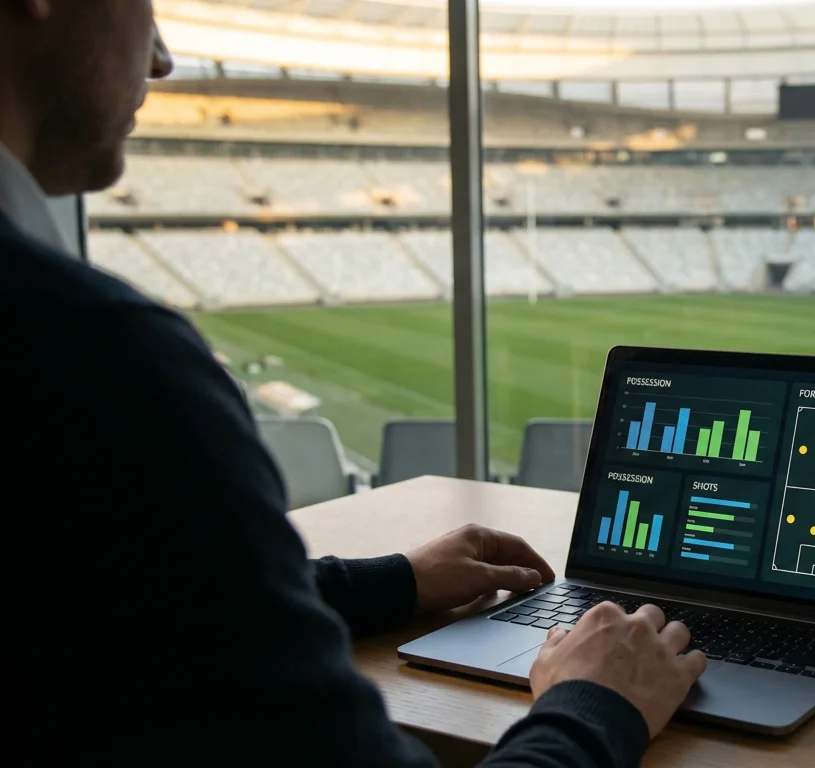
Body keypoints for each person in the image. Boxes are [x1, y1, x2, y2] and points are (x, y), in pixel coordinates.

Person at [0, 1, 706, 764]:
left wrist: (393, 582)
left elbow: (119, 595)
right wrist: (595, 703)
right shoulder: (97, 362)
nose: (163, 58)